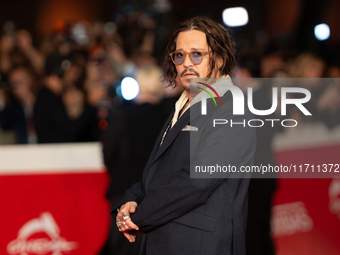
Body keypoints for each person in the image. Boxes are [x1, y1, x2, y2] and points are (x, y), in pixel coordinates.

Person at [113, 16, 256, 255]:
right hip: (167, 239)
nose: (186, 63)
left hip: (200, 245)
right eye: (180, 55)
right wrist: (132, 199)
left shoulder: (231, 108)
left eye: (197, 54)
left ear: (220, 59)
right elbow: (157, 172)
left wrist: (140, 216)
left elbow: (196, 183)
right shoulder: (182, 104)